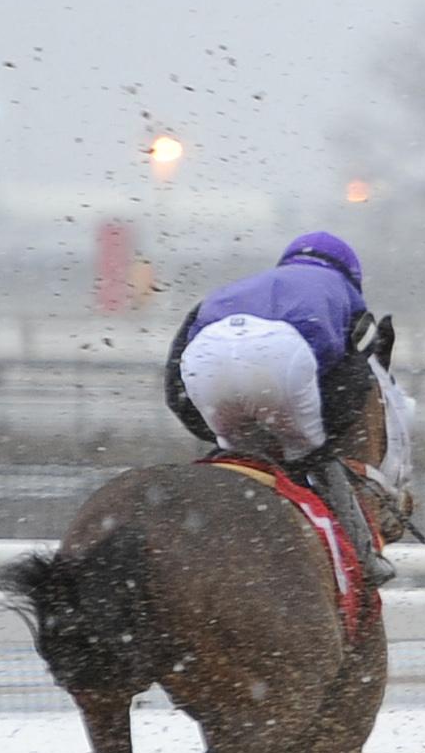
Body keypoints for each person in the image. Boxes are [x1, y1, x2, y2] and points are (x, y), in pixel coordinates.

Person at [165, 230, 395, 583]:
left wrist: (211, 425)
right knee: (315, 456)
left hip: (206, 357)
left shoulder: (244, 285)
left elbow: (177, 373)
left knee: (232, 453)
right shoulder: (345, 293)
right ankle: (364, 558)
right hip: (283, 358)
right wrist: (320, 439)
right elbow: (356, 375)